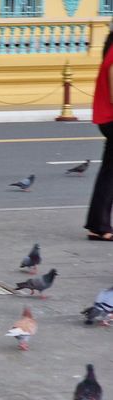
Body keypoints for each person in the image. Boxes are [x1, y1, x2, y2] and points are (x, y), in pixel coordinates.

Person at [86, 19, 113, 241]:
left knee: (108, 173)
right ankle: (101, 225)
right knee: (109, 174)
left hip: (108, 119)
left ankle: (98, 224)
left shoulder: (109, 50)